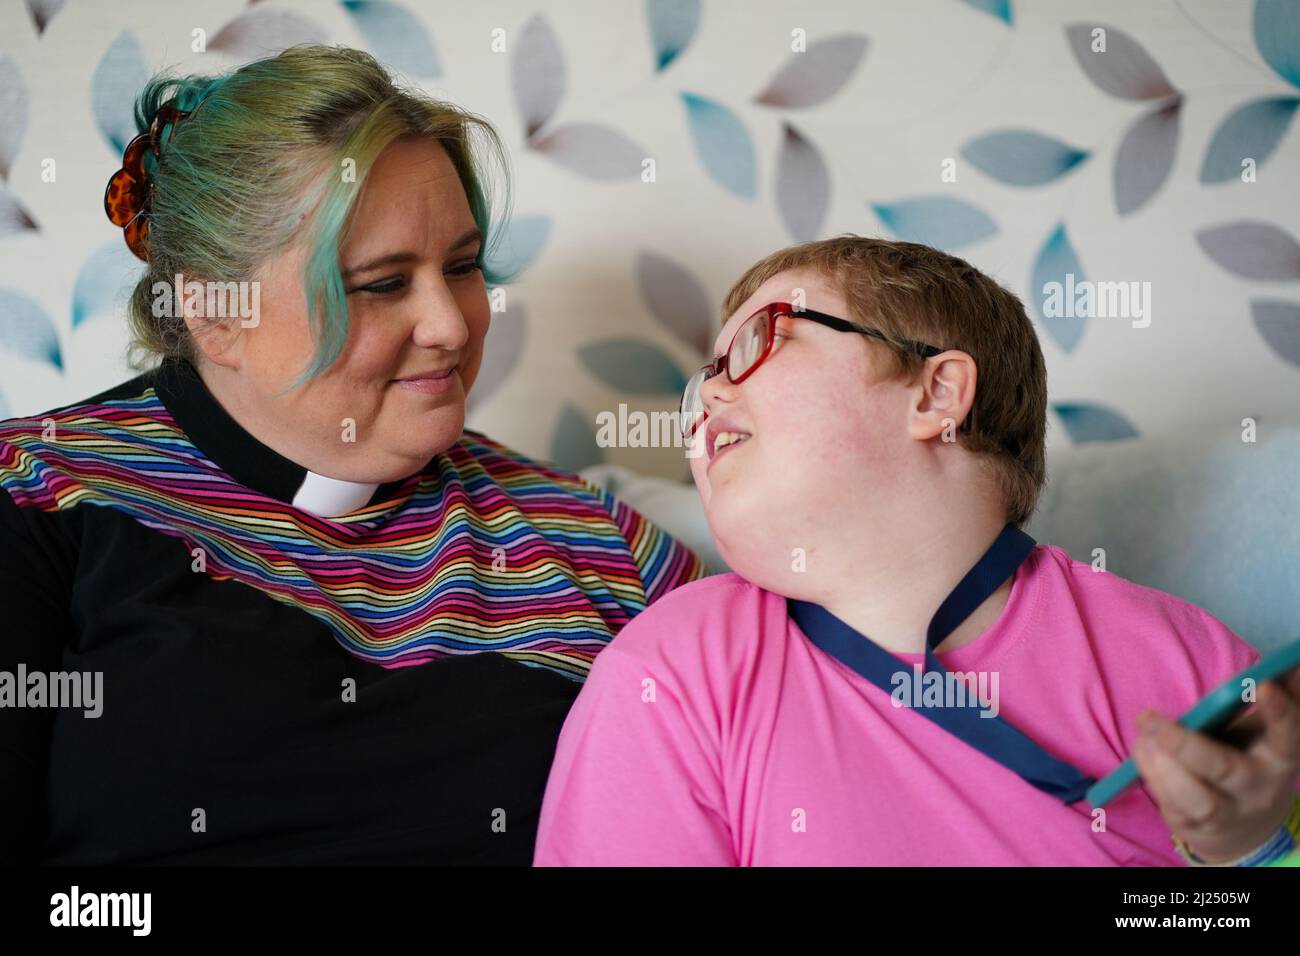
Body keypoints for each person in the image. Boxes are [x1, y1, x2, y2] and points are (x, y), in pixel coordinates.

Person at [0, 45, 701, 864]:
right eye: (380, 283)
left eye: (464, 267)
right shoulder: (39, 497)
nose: (450, 325)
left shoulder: (600, 542)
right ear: (213, 312)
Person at [533, 236, 1300, 866]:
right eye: (701, 386)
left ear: (935, 396)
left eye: (760, 341)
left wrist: (1247, 850)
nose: (708, 404)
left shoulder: (1188, 663)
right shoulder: (671, 675)